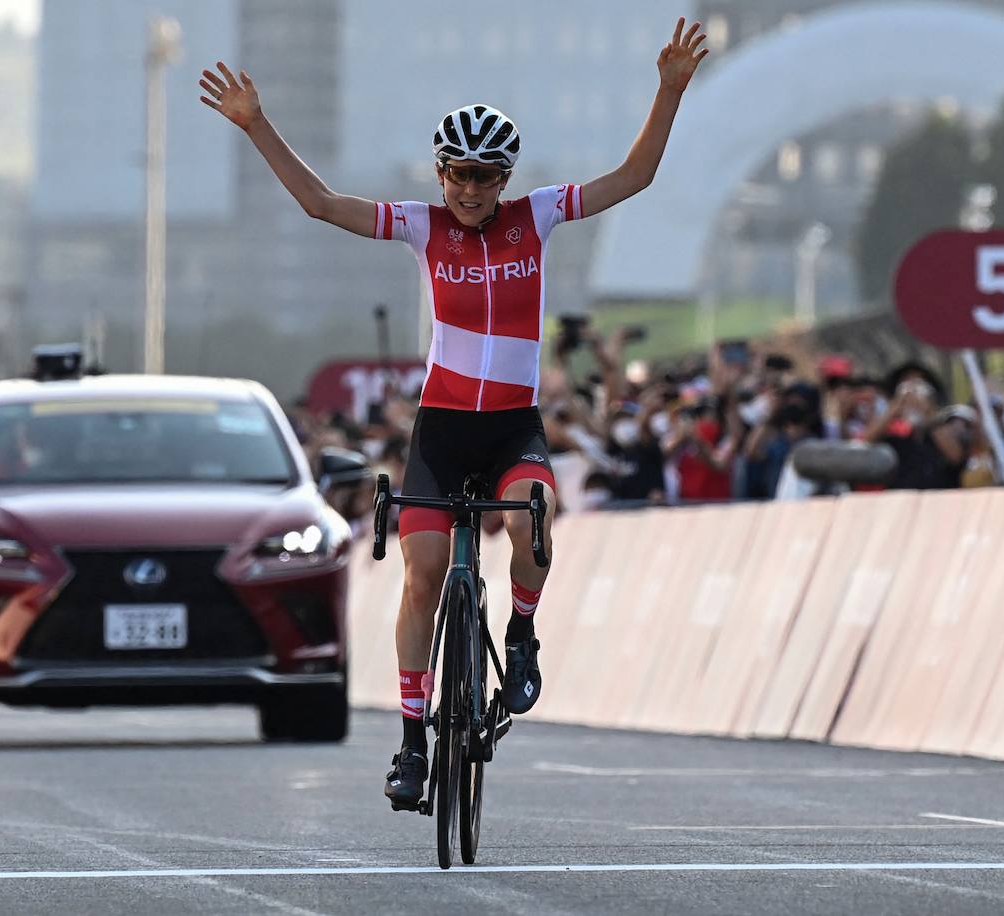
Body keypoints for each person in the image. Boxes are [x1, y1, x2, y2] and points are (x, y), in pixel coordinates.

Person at [201, 18, 709, 811]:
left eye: (485, 176)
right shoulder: (420, 224)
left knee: (534, 514)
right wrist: (257, 123)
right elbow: (320, 203)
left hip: (512, 425)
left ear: (504, 179)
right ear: (440, 175)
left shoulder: (535, 217)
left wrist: (669, 90)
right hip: (441, 429)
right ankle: (411, 741)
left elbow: (633, 178)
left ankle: (522, 632)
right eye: (458, 176)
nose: (470, 190)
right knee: (424, 576)